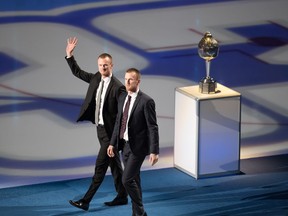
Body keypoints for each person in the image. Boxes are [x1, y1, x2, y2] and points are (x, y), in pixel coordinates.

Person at [65, 37, 128, 211]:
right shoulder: (95, 78)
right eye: (100, 65)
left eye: (106, 65)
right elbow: (77, 72)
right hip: (100, 130)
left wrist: (114, 142)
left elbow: (121, 118)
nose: (103, 68)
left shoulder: (118, 87)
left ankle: (85, 201)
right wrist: (69, 56)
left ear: (112, 66)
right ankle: (122, 196)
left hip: (111, 134)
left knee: (100, 167)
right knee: (115, 165)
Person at [107, 68, 159, 216]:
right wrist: (112, 143)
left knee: (126, 179)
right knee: (135, 179)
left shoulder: (146, 101)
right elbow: (119, 121)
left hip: (138, 148)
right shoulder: (123, 98)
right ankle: (136, 214)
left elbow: (153, 127)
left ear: (138, 81)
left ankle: (141, 212)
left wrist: (154, 151)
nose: (127, 82)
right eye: (125, 79)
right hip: (125, 146)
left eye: (131, 79)